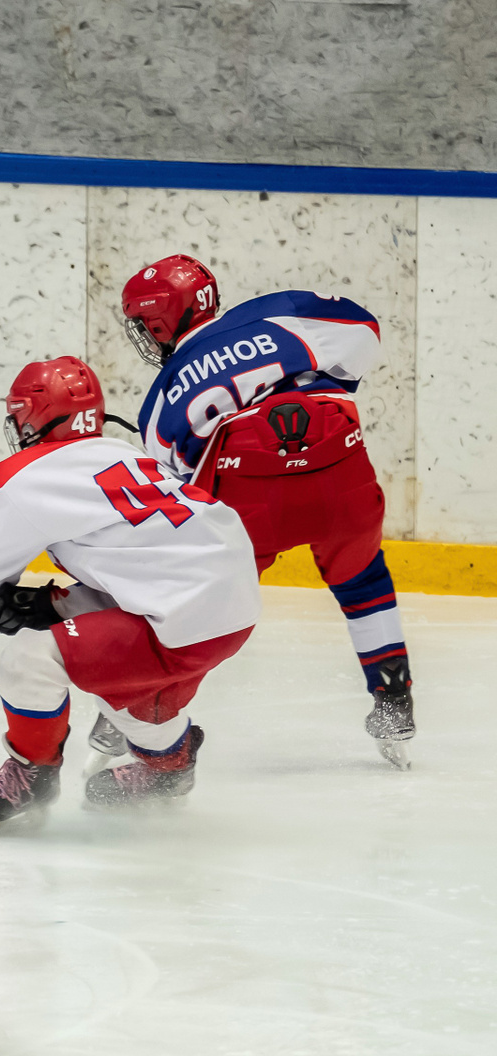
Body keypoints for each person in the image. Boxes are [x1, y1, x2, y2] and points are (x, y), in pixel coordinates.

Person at [0, 357, 260, 835]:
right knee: (129, 693)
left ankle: (31, 776)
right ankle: (171, 768)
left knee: (31, 658)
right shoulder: (126, 453)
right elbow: (143, 555)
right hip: (228, 606)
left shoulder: (26, 474)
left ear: (34, 416)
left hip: (177, 614)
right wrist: (50, 605)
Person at [119, 255, 414, 767]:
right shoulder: (282, 312)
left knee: (201, 609)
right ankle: (394, 698)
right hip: (341, 478)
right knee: (363, 578)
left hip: (250, 509)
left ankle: (142, 711)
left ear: (161, 322)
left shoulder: (162, 396)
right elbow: (364, 330)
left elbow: (179, 485)